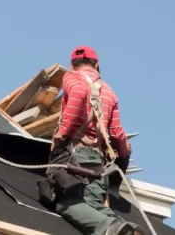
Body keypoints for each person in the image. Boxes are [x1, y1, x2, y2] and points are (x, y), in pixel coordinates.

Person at [47, 46, 136, 235]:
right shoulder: (109, 92)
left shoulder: (72, 77)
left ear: (72, 64)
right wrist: (123, 152)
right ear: (97, 65)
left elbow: (79, 93)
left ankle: (108, 229)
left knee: (67, 203)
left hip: (75, 155)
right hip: (97, 160)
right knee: (94, 204)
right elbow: (116, 132)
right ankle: (126, 231)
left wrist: (62, 133)